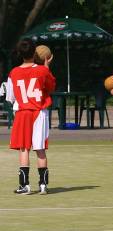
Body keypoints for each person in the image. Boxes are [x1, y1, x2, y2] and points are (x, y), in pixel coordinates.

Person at [6, 38, 56, 195]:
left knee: (24, 149)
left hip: (22, 113)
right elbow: (51, 87)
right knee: (40, 149)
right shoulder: (42, 71)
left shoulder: (13, 73)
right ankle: (43, 185)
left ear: (20, 54)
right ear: (35, 53)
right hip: (39, 112)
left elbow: (10, 97)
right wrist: (46, 67)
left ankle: (25, 185)